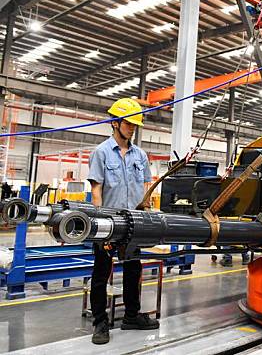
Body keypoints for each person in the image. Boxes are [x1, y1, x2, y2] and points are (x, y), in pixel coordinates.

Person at [87, 98, 158, 344]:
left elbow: (146, 190)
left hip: (135, 223)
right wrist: (100, 227)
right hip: (109, 222)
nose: (133, 128)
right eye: (129, 123)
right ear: (115, 123)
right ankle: (100, 323)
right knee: (101, 274)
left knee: (133, 269)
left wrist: (148, 217)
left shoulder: (140, 155)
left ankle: (131, 316)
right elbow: (97, 190)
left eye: (135, 124)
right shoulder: (101, 152)